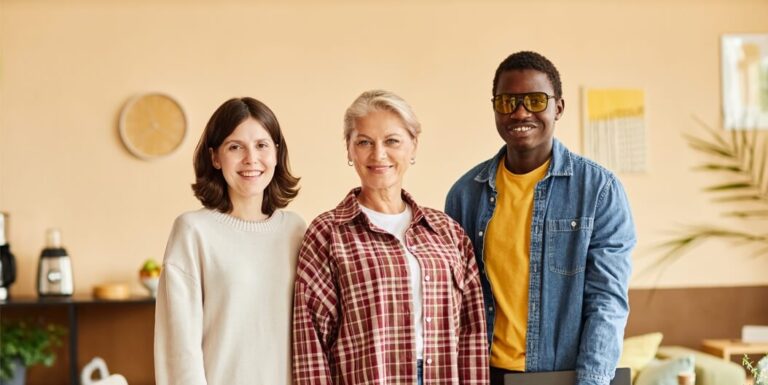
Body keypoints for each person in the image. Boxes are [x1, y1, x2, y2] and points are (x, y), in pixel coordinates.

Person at [445, 51, 636, 385]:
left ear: (558, 107)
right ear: (495, 108)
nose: (520, 112)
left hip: (563, 377)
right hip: (482, 374)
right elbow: (453, 301)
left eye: (535, 100)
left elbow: (606, 301)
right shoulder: (464, 195)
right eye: (507, 101)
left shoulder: (599, 191)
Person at [292, 90, 489, 385]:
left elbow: (472, 331)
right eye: (364, 142)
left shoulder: (447, 232)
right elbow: (310, 341)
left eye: (392, 141)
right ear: (349, 150)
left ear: (413, 146)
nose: (378, 154)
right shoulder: (328, 233)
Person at [154, 97, 306, 385]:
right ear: (215, 157)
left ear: (276, 152)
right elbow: (179, 347)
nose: (251, 159)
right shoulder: (193, 231)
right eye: (235, 147)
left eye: (261, 145)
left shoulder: (296, 230)